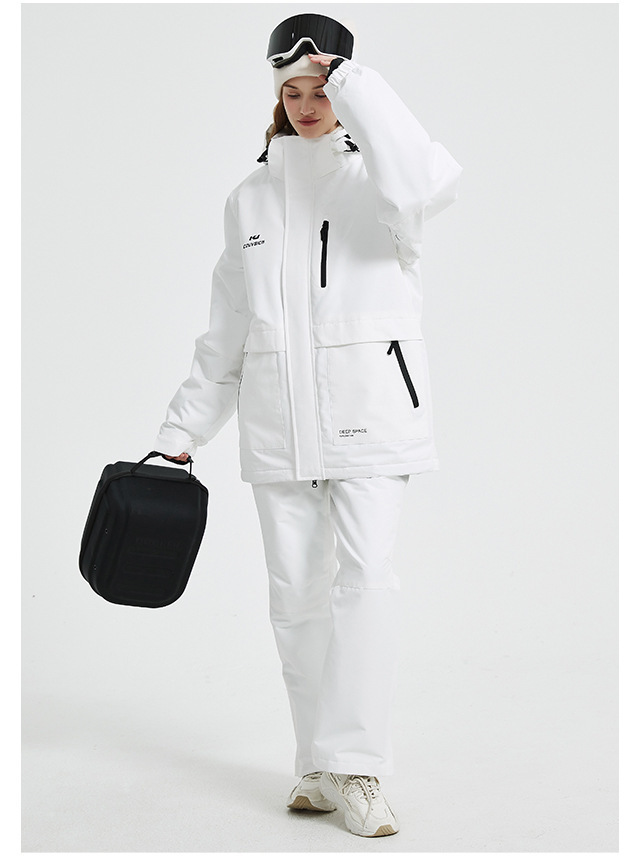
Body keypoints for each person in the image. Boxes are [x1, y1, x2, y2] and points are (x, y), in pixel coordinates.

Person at [154, 13, 462, 838]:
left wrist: (352, 78)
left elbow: (428, 177)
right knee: (295, 599)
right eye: (291, 90)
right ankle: (320, 765)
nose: (305, 103)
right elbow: (227, 329)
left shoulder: (384, 183)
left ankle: (361, 768)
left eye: (320, 88)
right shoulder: (248, 199)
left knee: (366, 585)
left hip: (371, 417)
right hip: (278, 427)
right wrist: (179, 434)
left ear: (349, 90)